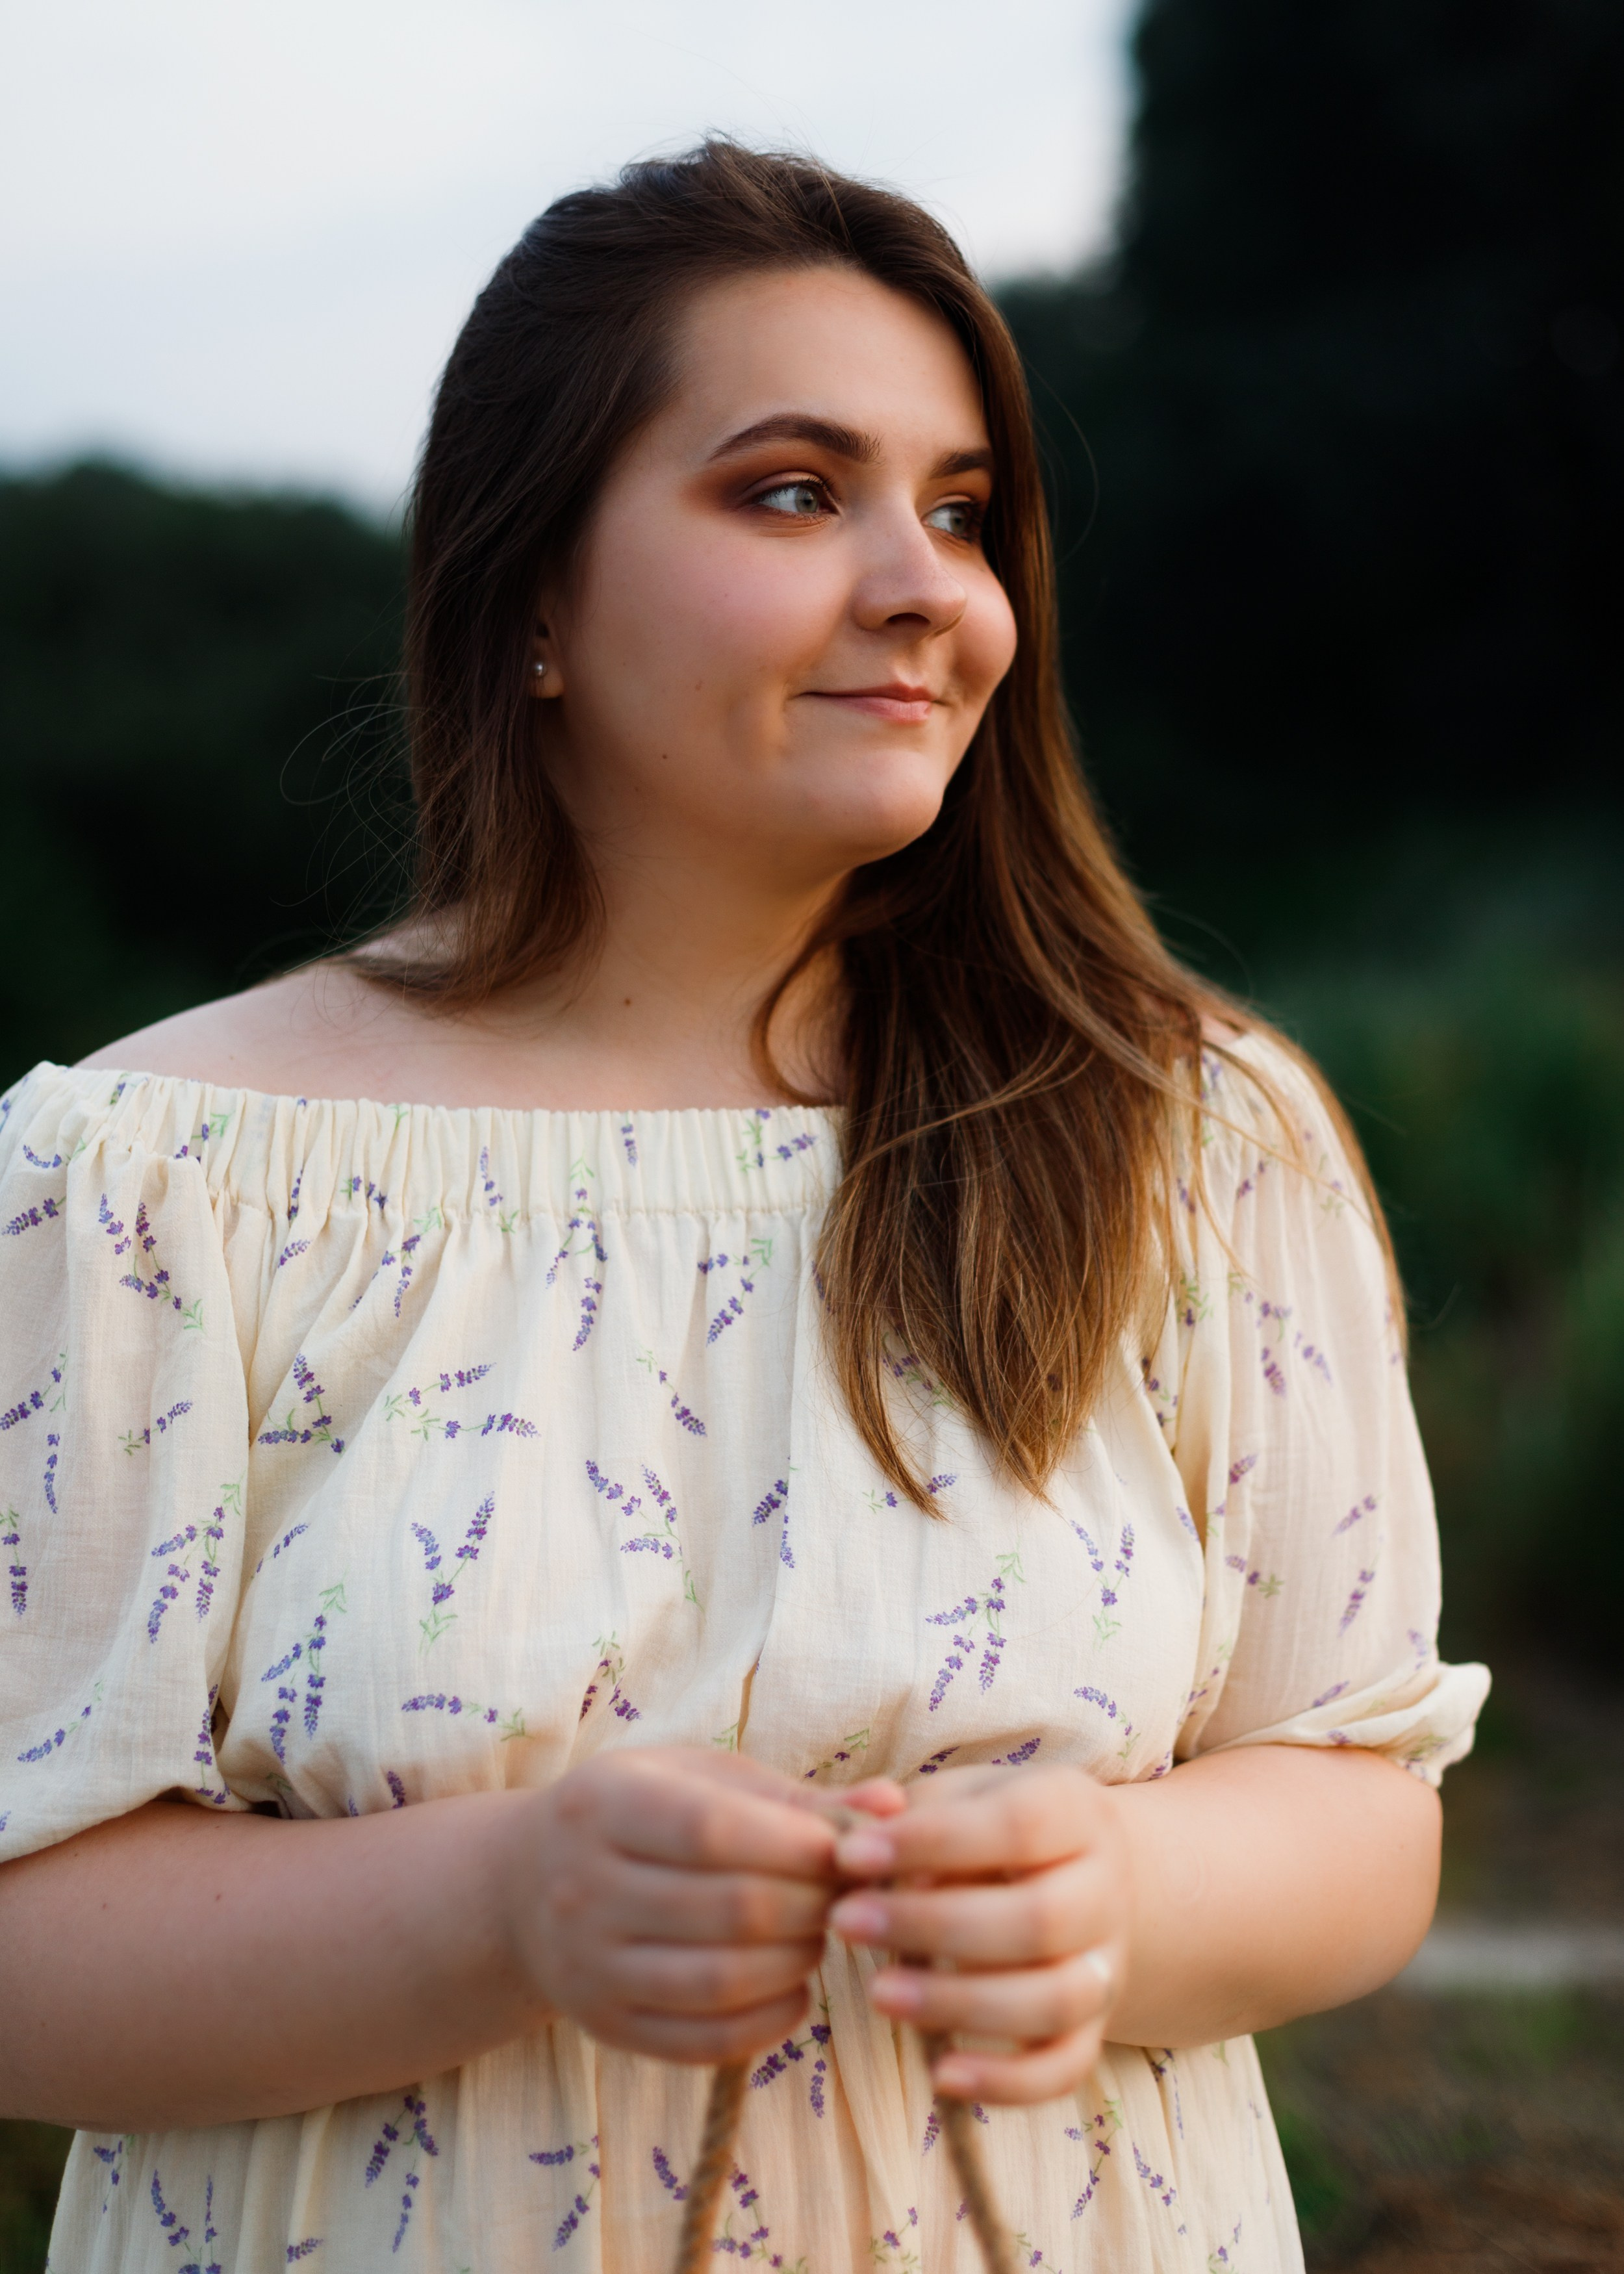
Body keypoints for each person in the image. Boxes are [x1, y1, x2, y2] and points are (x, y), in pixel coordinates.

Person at [0, 141, 1486, 2273]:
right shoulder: (149, 1174)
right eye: (793, 490)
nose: (926, 585)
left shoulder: (1186, 1132)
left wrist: (1116, 1895)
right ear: (527, 600)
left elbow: (1356, 1803)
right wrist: (501, 1906)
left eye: (962, 508)